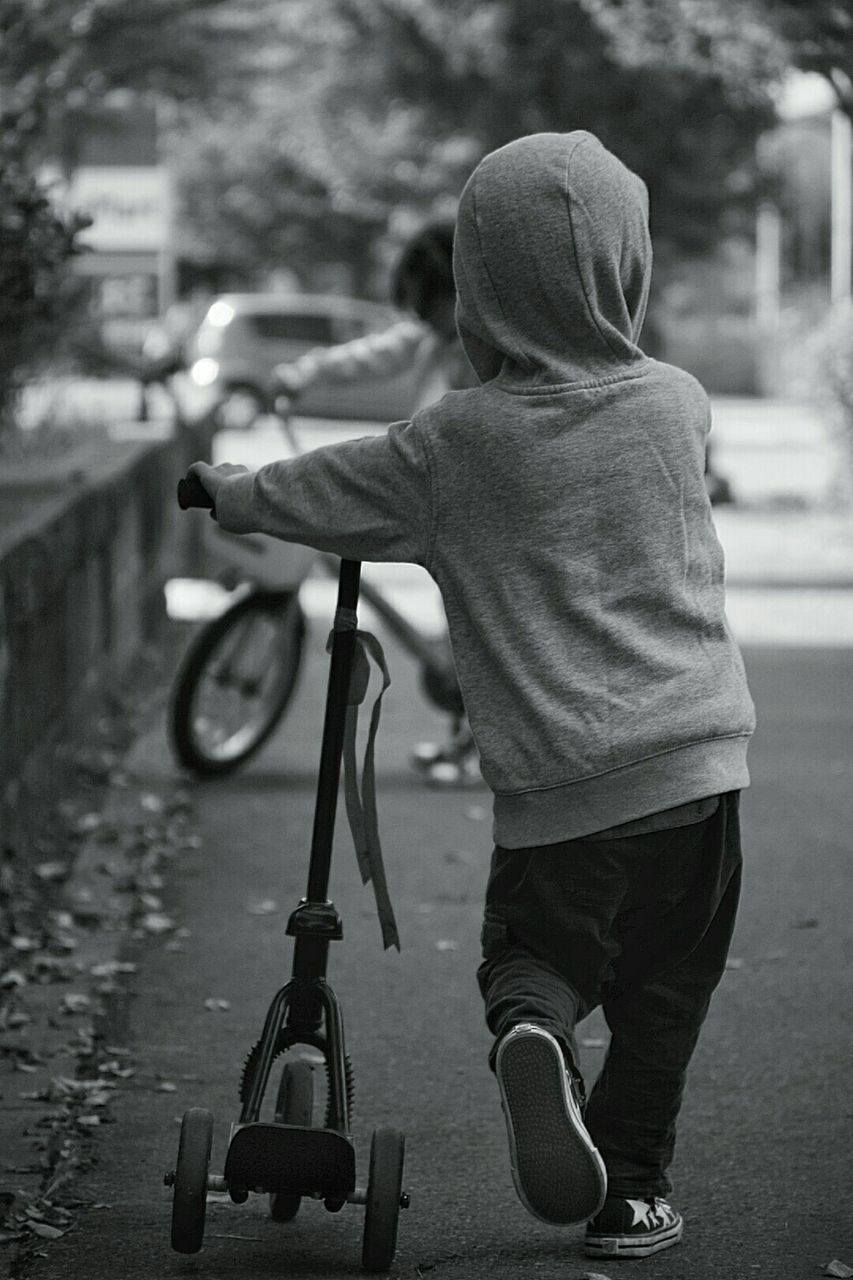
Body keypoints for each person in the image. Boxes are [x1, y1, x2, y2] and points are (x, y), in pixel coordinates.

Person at [186, 131, 755, 1260]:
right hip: (698, 775)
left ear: (477, 282)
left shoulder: (452, 443)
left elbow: (326, 487)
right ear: (623, 265)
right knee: (662, 997)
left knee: (531, 954)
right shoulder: (678, 405)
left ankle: (534, 1027)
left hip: (560, 792)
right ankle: (629, 1192)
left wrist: (234, 492)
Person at [273, 221, 480, 785]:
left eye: (425, 303)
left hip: (478, 508)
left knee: (480, 626)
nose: (419, 317)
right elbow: (372, 354)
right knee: (465, 625)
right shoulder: (432, 339)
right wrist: (306, 372)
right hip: (441, 504)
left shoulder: (484, 346)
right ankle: (470, 735)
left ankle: (483, 739)